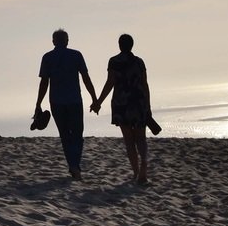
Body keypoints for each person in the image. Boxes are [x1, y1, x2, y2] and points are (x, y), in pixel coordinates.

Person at [35, 29, 98, 180]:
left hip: (56, 101)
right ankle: (75, 166)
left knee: (65, 136)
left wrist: (38, 103)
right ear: (67, 41)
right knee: (77, 135)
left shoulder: (48, 57)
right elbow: (86, 78)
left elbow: (44, 82)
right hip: (74, 101)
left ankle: (73, 166)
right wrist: (94, 98)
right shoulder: (76, 55)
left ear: (53, 41)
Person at [91, 33, 152, 185]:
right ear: (132, 45)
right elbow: (145, 84)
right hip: (138, 102)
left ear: (119, 45)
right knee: (141, 138)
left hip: (121, 103)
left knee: (129, 140)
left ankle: (136, 172)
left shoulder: (114, 61)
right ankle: (143, 162)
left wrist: (98, 102)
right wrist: (148, 105)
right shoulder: (139, 62)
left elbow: (110, 83)